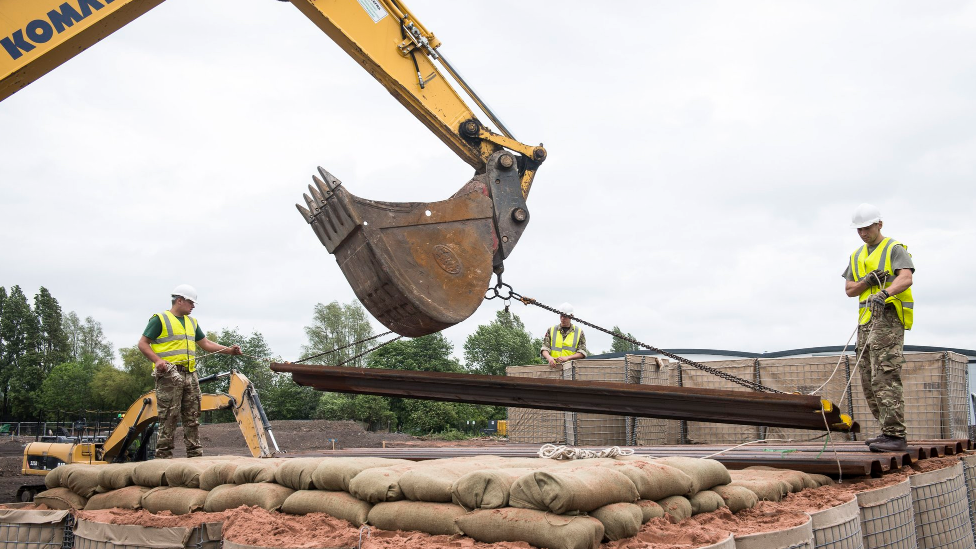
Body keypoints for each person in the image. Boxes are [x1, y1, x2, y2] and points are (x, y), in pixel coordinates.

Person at [137, 284, 242, 458]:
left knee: (192, 417)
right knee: (169, 417)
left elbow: (206, 344)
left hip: (190, 375)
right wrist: (157, 361)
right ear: (179, 300)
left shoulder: (192, 322)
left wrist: (229, 350)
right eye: (191, 302)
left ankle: (195, 456)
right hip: (169, 376)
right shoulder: (160, 319)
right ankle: (163, 458)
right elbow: (142, 343)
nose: (193, 306)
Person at [843, 204, 914, 453]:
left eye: (867, 228)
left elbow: (906, 278)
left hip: (887, 319)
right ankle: (886, 432)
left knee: (885, 376)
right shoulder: (856, 256)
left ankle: (896, 434)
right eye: (859, 229)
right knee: (868, 380)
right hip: (865, 322)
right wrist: (867, 281)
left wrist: (884, 292)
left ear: (879, 225)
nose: (863, 233)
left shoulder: (894, 248)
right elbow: (850, 290)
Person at [541, 302, 589, 368]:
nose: (562, 318)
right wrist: (549, 358)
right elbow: (544, 348)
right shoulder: (551, 330)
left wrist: (567, 358)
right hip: (554, 368)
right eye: (561, 316)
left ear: (571, 316)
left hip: (571, 369)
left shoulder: (579, 332)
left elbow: (582, 352)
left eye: (565, 316)